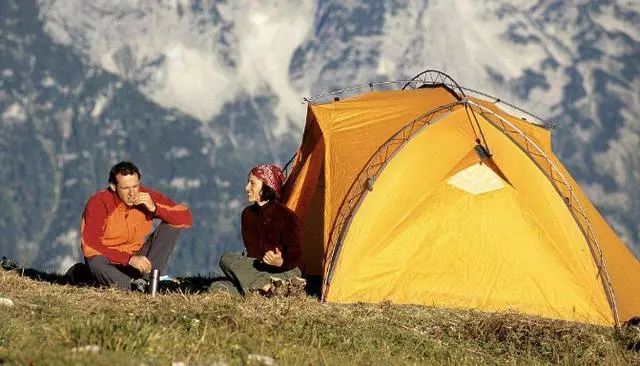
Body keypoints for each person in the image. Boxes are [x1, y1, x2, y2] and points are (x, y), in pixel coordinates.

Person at [80, 161, 192, 291]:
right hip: (109, 261)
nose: (132, 193)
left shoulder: (145, 196)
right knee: (96, 261)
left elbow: (186, 218)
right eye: (126, 188)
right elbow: (91, 245)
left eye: (135, 186)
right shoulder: (99, 203)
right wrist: (129, 259)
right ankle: (138, 286)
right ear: (113, 186)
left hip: (138, 259)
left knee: (172, 223)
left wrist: (155, 208)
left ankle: (147, 280)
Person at [214, 164, 304, 295]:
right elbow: (252, 256)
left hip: (286, 270)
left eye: (252, 184)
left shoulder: (287, 216)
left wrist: (280, 262)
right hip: (260, 270)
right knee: (224, 264)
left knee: (225, 288)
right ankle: (269, 288)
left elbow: (297, 256)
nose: (246, 188)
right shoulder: (247, 215)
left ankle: (266, 288)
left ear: (267, 187)